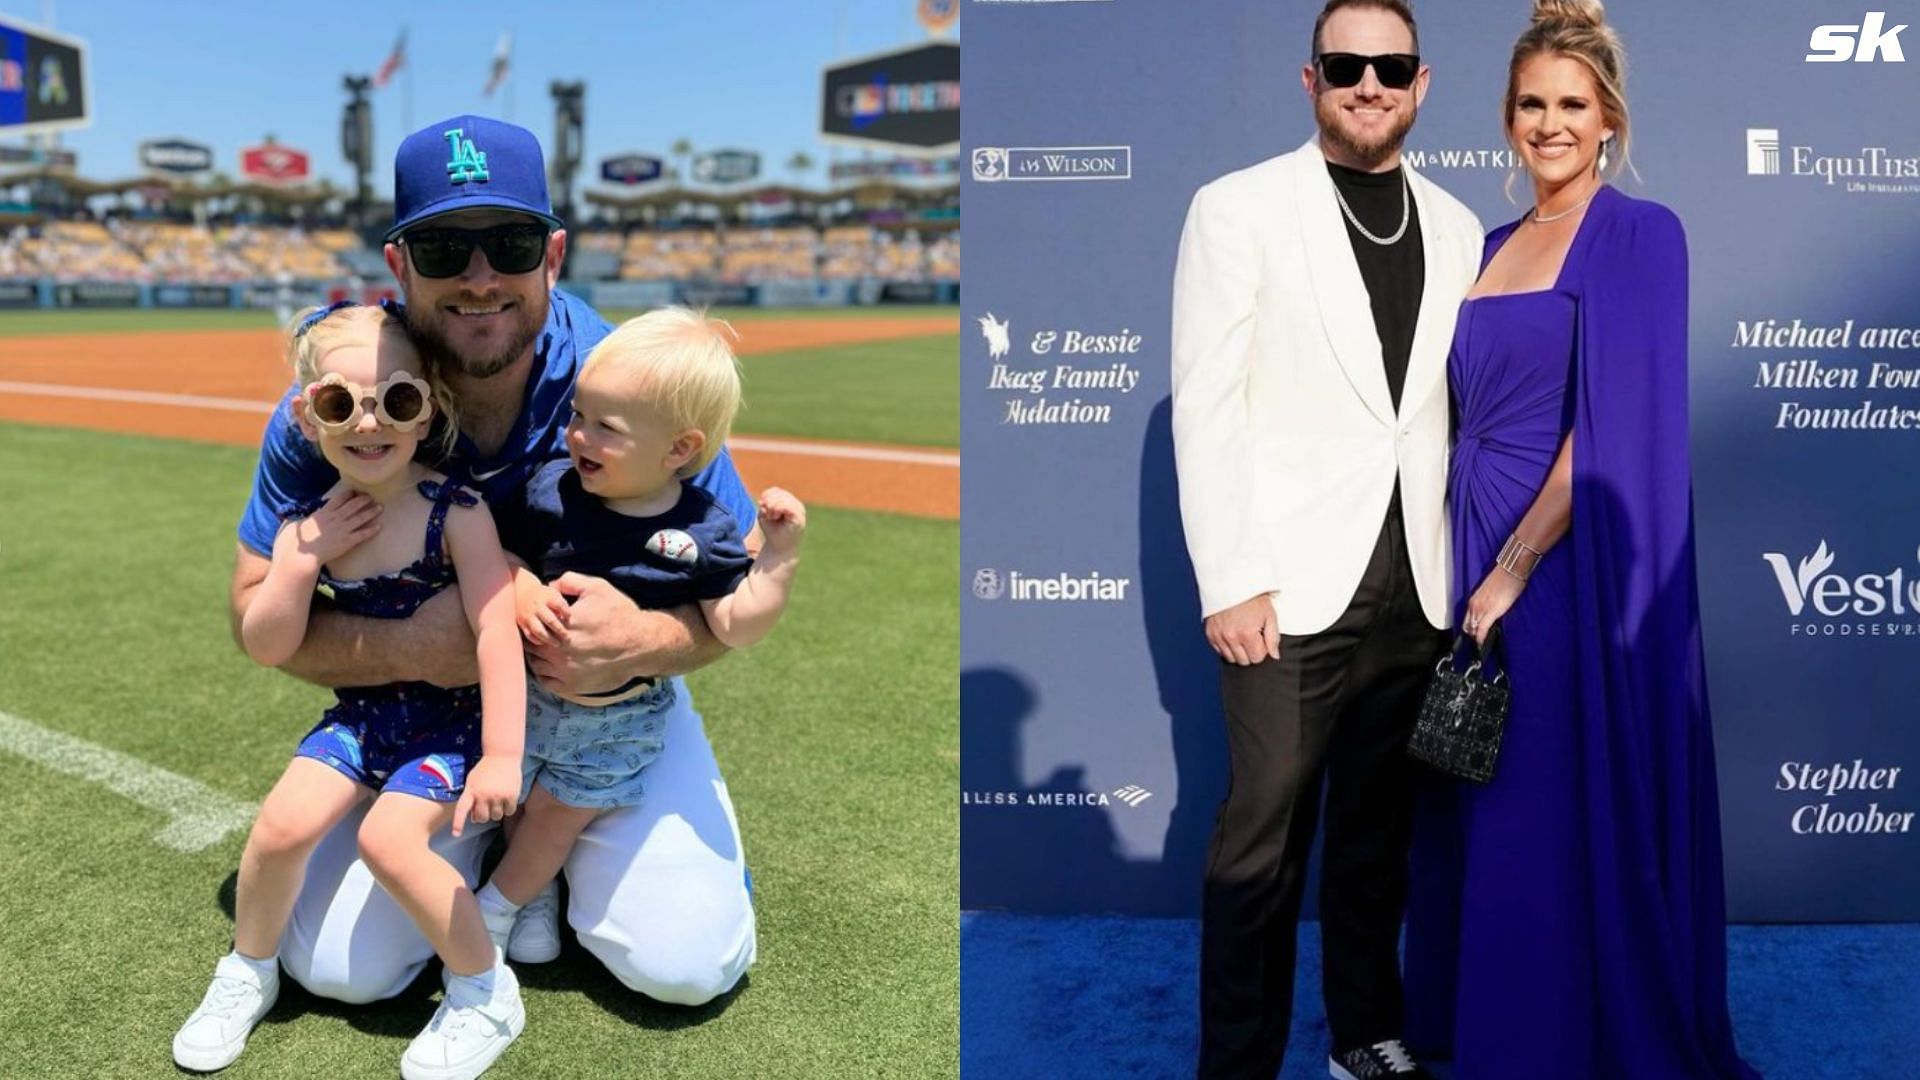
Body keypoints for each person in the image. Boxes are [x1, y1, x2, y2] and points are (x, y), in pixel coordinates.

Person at [225, 117, 760, 1019]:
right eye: (443, 246)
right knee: (339, 970)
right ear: (399, 266)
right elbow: (255, 611)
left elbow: (731, 592)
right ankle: (500, 846)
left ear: (551, 254)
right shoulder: (336, 403)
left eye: (508, 243)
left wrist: (641, 638)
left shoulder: (628, 382)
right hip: (425, 716)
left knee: (685, 964)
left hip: (602, 702)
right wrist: (415, 646)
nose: (479, 278)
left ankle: (553, 848)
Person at [1402, 3, 1759, 1077]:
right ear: (1507, 117)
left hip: (1557, 563)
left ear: (1609, 119)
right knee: (1472, 786)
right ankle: (1483, 1025)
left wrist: (1514, 567)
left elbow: (1606, 427)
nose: (1549, 124)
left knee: (1542, 799)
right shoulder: (1492, 243)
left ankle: (1558, 1041)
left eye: (1571, 104)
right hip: (1464, 538)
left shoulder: (1640, 234)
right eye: (1530, 104)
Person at [1169, 2, 1483, 1076]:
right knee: (1260, 844)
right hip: (1287, 587)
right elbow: (1207, 405)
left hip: (1416, 587)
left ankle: (1366, 1033)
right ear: (1311, 80)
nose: (1368, 83)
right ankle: (1239, 1060)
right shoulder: (1237, 208)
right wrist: (1233, 577)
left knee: (1375, 836)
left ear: (1421, 83)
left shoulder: (1455, 224)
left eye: (1389, 66)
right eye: (1345, 64)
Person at [174, 302, 528, 1076]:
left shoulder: (458, 512)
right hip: (364, 717)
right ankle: (249, 968)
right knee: (279, 827)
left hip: (453, 727)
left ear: (428, 406)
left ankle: (484, 992)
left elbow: (498, 632)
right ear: (307, 417)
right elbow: (270, 644)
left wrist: (504, 756)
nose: (369, 423)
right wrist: (302, 561)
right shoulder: (306, 524)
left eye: (396, 399)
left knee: (387, 841)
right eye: (341, 403)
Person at [474, 308, 806, 961]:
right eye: (577, 415)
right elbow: (502, 555)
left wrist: (778, 560)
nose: (577, 437)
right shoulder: (550, 492)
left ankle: (500, 904)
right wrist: (519, 584)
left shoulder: (703, 528)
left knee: (554, 817)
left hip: (615, 722)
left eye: (606, 428)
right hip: (528, 699)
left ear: (679, 449)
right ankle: (536, 895)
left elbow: (734, 623)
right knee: (517, 802)